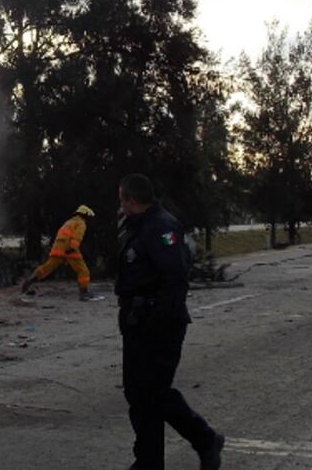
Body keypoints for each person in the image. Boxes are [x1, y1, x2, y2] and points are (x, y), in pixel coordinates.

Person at [115, 174, 223, 470]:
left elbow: (174, 279)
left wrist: (157, 322)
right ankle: (149, 461)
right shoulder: (137, 226)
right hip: (137, 322)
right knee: (138, 393)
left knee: (155, 393)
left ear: (132, 200)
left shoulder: (161, 226)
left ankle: (205, 439)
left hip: (159, 324)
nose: (120, 205)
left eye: (121, 199)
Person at [21, 205, 95, 301]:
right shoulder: (81, 223)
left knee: (46, 268)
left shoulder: (69, 222)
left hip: (58, 248)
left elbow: (60, 235)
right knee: (83, 270)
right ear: (85, 215)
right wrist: (73, 248)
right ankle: (84, 293)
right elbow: (77, 236)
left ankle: (29, 282)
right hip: (69, 248)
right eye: (89, 217)